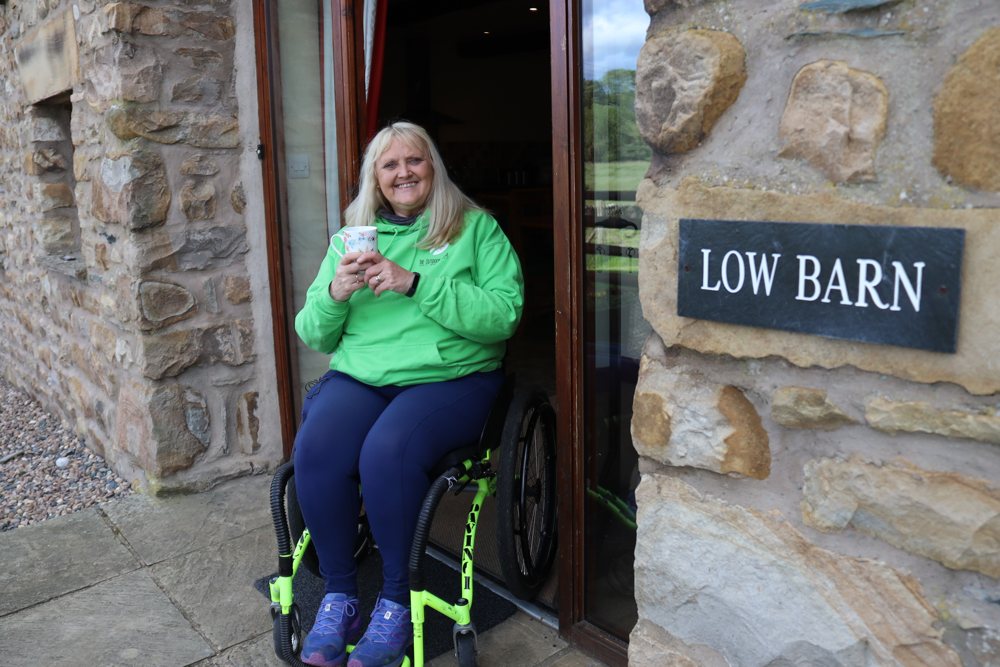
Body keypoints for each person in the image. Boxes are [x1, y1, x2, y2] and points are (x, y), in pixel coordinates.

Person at [292, 121, 524, 667]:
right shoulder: (350, 238)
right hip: (365, 376)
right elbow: (314, 333)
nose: (403, 173)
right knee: (317, 450)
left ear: (432, 168)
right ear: (375, 177)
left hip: (453, 377)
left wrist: (415, 282)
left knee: (386, 451)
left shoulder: (475, 230)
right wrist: (334, 293)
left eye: (414, 161)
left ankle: (396, 602)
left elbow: (504, 317)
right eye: (389, 164)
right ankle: (340, 596)